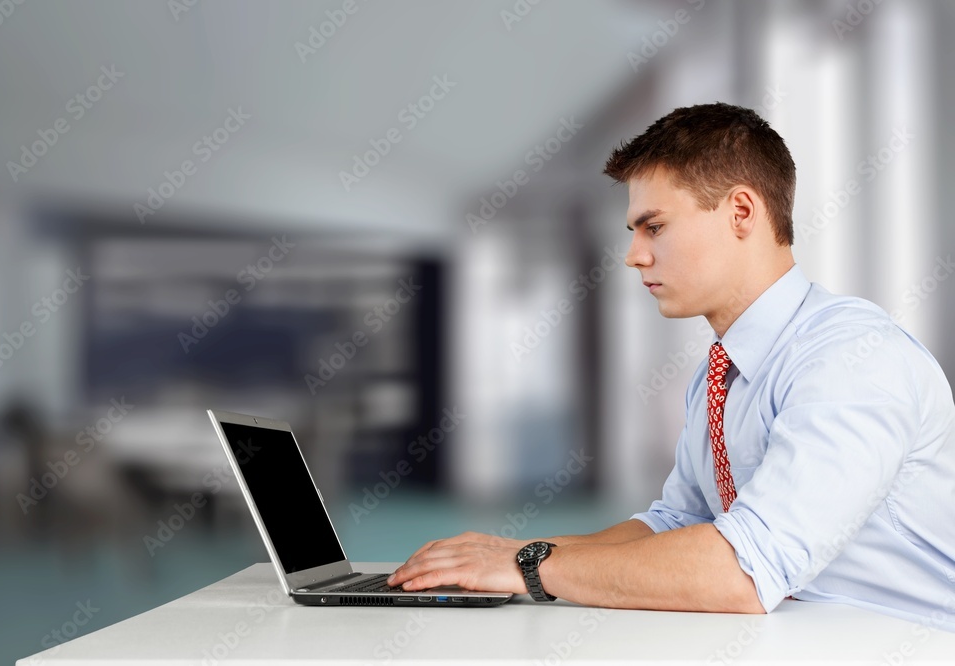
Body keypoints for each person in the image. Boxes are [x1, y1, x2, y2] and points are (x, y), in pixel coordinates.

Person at [387, 102, 955, 630]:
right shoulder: (721, 373)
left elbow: (743, 572)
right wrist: (504, 558)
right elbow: (676, 523)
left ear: (740, 212)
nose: (634, 254)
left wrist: (528, 566)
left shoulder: (852, 359)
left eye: (653, 226)